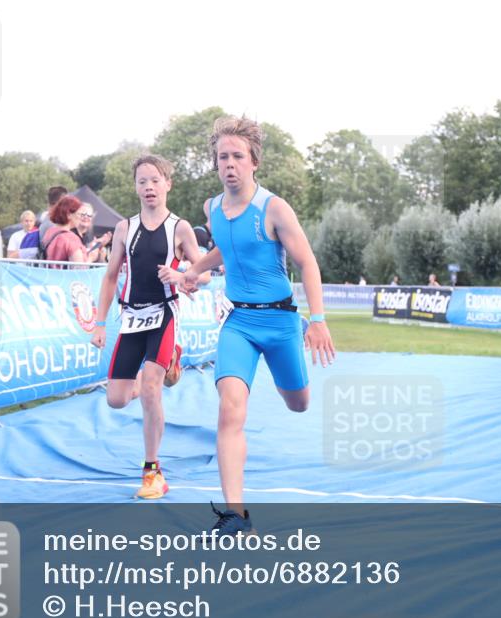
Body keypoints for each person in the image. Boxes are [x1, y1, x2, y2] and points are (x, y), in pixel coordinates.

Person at [165, 115, 335, 535]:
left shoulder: (274, 208)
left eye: (238, 156)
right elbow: (227, 247)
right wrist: (193, 271)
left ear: (254, 161)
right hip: (238, 322)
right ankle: (235, 514)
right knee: (229, 410)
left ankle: (291, 362)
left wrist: (317, 320)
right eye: (223, 157)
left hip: (280, 322)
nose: (230, 164)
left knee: (299, 403)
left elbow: (307, 262)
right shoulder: (212, 208)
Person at [91, 154, 204, 499]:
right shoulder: (125, 228)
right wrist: (99, 323)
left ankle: (153, 471)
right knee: (116, 400)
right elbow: (111, 276)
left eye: (155, 180)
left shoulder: (180, 228)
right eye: (142, 181)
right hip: (131, 317)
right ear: (136, 187)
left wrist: (181, 275)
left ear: (168, 184)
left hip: (163, 314)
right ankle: (166, 363)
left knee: (152, 391)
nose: (149, 187)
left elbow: (203, 274)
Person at [42, 196, 88, 264]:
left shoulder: (49, 232)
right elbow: (79, 267)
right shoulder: (71, 238)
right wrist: (92, 257)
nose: (82, 218)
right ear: (69, 215)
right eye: (80, 214)